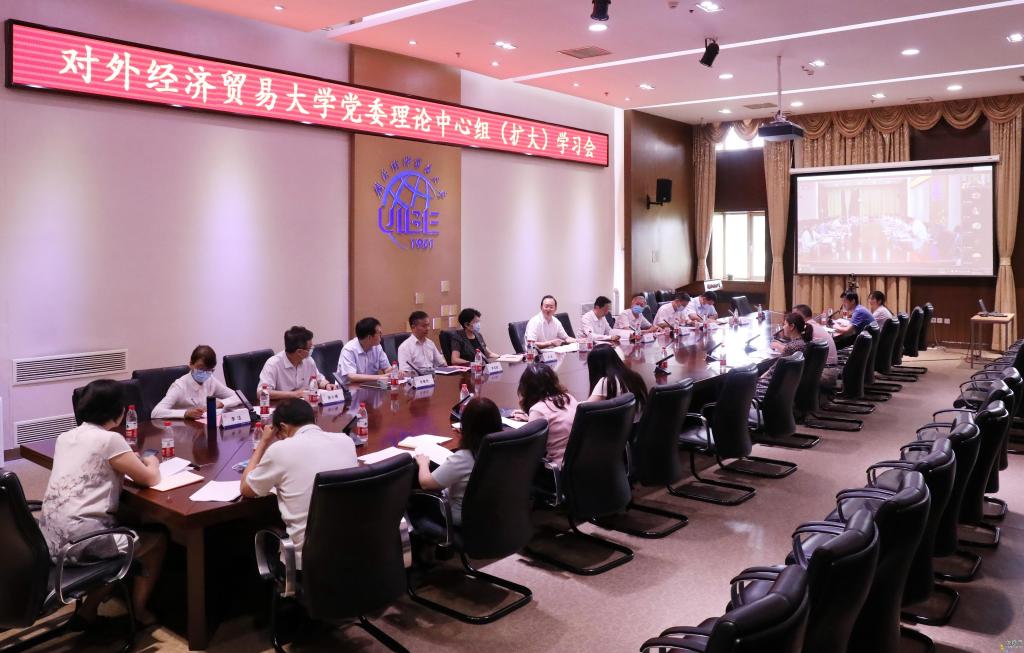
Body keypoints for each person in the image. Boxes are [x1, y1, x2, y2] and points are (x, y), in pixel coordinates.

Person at [39, 379, 166, 626]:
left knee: (122, 525)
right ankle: (139, 612)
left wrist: (127, 460)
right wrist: (152, 461)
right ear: (118, 412)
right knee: (157, 541)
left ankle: (88, 611)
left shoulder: (65, 437)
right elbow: (150, 478)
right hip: (81, 542)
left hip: (49, 539)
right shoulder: (110, 440)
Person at [240, 399, 358, 570]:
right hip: (351, 549)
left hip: (307, 562)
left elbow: (246, 489)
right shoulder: (345, 441)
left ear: (283, 428)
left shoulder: (280, 450)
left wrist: (263, 442)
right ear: (314, 419)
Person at [415, 397, 502, 525]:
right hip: (491, 514)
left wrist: (423, 464)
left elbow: (426, 483)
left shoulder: (464, 457)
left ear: (466, 426)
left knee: (415, 500)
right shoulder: (502, 450)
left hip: (459, 517)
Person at [511, 363, 579, 466]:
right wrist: (531, 418)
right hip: (579, 462)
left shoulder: (538, 410)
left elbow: (531, 450)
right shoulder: (568, 398)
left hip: (557, 468)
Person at [151, 345, 241, 419]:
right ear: (191, 364)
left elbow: (239, 397)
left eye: (208, 370)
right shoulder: (180, 386)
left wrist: (221, 403)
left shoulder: (211, 380)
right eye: (201, 368)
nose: (204, 373)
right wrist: (185, 413)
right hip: (182, 430)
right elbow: (156, 412)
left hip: (203, 427)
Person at [259, 326, 335, 400]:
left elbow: (318, 380)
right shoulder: (273, 364)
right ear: (299, 352)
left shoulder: (308, 361)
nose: (312, 350)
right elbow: (261, 392)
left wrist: (326, 385)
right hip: (282, 406)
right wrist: (295, 394)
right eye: (310, 348)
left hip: (305, 405)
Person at [585, 344, 647, 420]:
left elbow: (585, 411)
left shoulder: (606, 382)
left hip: (620, 426)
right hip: (637, 424)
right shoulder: (635, 376)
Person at [760, 312, 814, 388]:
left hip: (772, 387)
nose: (783, 327)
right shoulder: (802, 342)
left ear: (792, 326)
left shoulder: (791, 347)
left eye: (785, 324)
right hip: (789, 386)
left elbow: (772, 371)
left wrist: (759, 379)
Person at [337, 317, 391, 386]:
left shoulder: (377, 347)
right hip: (348, 389)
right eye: (379, 333)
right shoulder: (349, 349)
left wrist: (393, 372)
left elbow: (386, 368)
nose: (381, 335)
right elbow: (351, 377)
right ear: (369, 337)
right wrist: (380, 377)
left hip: (370, 387)